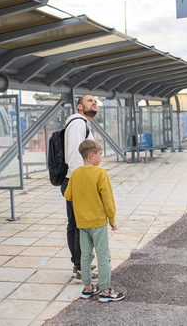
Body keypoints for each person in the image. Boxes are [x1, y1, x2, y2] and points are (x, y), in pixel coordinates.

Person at [64, 139, 125, 302]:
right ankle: (105, 291)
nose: (101, 157)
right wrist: (111, 218)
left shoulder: (76, 173)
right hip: (98, 223)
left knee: (85, 255)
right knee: (103, 256)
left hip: (82, 223)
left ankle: (88, 288)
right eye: (100, 154)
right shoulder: (100, 173)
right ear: (92, 155)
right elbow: (108, 199)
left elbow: (67, 195)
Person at [61, 94, 97, 282]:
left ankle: (80, 265)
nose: (94, 102)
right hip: (76, 180)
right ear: (80, 106)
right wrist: (82, 181)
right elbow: (75, 155)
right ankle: (80, 267)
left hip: (76, 179)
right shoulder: (78, 123)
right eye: (89, 100)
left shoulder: (83, 124)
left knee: (76, 225)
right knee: (77, 226)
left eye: (95, 101)